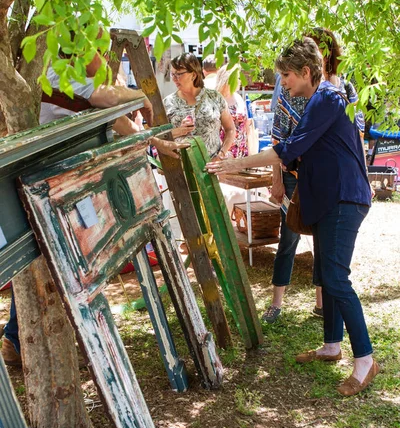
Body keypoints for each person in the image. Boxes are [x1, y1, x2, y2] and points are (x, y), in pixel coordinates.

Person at [207, 37, 379, 397]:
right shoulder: (316, 101)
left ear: (305, 72)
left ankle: (366, 360)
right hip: (330, 198)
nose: (281, 82)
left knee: (335, 276)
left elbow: (287, 149)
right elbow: (302, 154)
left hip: (345, 198)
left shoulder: (327, 98)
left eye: (285, 75)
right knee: (325, 272)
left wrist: (232, 163)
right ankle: (332, 345)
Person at [1, 46, 186, 367]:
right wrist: (140, 96)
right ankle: (22, 340)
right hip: (45, 181)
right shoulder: (58, 67)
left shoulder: (76, 77)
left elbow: (120, 124)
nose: (100, 57)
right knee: (56, 259)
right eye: (95, 50)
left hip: (61, 182)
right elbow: (108, 98)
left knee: (62, 259)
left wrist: (158, 142)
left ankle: (24, 339)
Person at [263, 28, 364, 324]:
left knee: (328, 253)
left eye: (321, 48)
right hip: (295, 169)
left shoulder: (339, 90)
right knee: (289, 236)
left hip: (332, 182)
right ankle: (277, 302)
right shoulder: (291, 84)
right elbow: (279, 136)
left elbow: (356, 132)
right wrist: (277, 178)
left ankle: (324, 308)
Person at [164, 53, 236, 160]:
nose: (174, 79)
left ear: (193, 75)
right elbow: (159, 139)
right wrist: (179, 131)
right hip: (181, 170)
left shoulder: (214, 97)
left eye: (179, 74)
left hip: (212, 169)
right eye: (172, 74)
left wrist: (221, 155)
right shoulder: (168, 103)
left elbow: (230, 130)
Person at [215, 66, 249, 158]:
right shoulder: (216, 99)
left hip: (240, 151)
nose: (240, 81)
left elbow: (246, 126)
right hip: (222, 151)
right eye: (238, 78)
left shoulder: (238, 98)